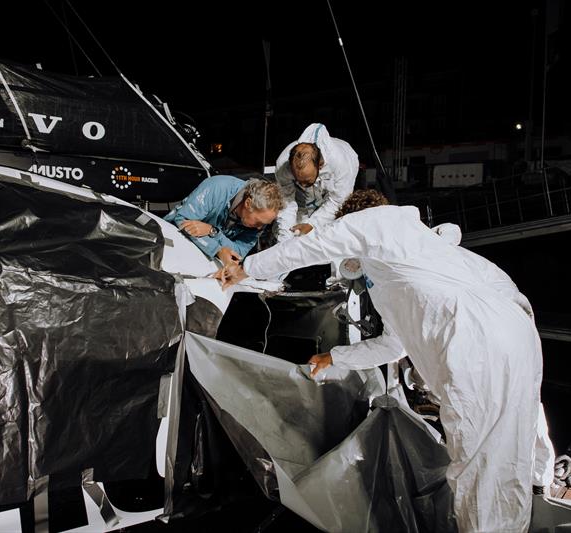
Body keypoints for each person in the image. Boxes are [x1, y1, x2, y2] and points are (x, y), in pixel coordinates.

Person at [217, 189, 549, 532]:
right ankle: (537, 487)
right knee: (511, 450)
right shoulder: (423, 259)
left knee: (478, 465)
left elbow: (313, 245)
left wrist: (248, 268)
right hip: (516, 335)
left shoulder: (380, 220)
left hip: (472, 339)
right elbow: (394, 344)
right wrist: (336, 356)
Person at [164, 174, 283, 266]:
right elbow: (183, 221)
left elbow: (238, 254)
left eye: (265, 224)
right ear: (248, 203)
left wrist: (213, 232)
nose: (259, 228)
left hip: (203, 258)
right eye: (258, 222)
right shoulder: (218, 187)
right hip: (171, 240)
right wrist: (218, 250)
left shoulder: (258, 223)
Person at [273, 123, 358, 241]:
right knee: (292, 234)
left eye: (306, 181)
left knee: (329, 235)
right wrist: (284, 239)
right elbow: (286, 201)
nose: (302, 185)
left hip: (334, 195)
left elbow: (337, 201)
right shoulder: (283, 165)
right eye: (298, 180)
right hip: (303, 202)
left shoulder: (342, 164)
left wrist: (312, 224)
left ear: (320, 166)